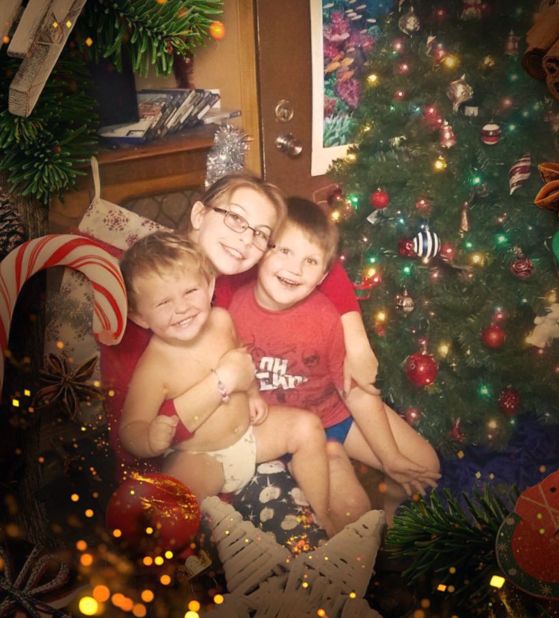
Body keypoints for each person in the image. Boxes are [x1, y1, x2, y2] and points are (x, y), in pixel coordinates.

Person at [101, 173, 378, 495]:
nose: (246, 240)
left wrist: (356, 338)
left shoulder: (237, 270)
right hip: (189, 464)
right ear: (199, 214)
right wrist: (222, 382)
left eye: (261, 233)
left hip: (258, 429)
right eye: (235, 218)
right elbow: (132, 441)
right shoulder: (145, 297)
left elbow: (322, 261)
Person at [228, 197, 440, 526]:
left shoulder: (326, 317)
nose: (294, 269)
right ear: (261, 250)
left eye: (310, 261)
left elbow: (354, 389)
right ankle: (325, 463)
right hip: (280, 429)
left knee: (425, 465)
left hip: (334, 416)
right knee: (349, 511)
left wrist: (390, 457)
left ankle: (389, 510)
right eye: (284, 251)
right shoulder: (233, 310)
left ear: (323, 275)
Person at [118, 230, 337, 536]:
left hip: (250, 436)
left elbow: (240, 358)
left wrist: (253, 394)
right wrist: (149, 438)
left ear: (209, 286)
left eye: (190, 291)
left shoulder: (221, 320)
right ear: (140, 316)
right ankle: (197, 555)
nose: (181, 308)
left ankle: (322, 516)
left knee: (308, 426)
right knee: (170, 504)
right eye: (164, 302)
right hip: (200, 457)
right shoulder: (154, 366)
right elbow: (129, 428)